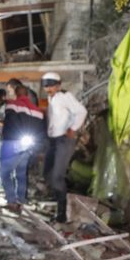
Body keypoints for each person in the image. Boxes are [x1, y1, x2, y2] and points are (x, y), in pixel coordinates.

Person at [41, 72, 87, 223]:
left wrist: (73, 129)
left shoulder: (65, 96)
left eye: (51, 86)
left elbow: (81, 111)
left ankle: (62, 213)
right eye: (46, 86)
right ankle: (58, 199)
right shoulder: (51, 98)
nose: (49, 89)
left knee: (57, 176)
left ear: (58, 85)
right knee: (47, 172)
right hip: (53, 140)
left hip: (64, 140)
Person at [0, 84, 45, 213]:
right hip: (29, 144)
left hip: (12, 143)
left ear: (16, 93)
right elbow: (40, 130)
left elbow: (9, 124)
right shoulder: (37, 111)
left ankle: (11, 200)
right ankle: (22, 199)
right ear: (27, 95)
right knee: (21, 173)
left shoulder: (12, 105)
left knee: (5, 172)